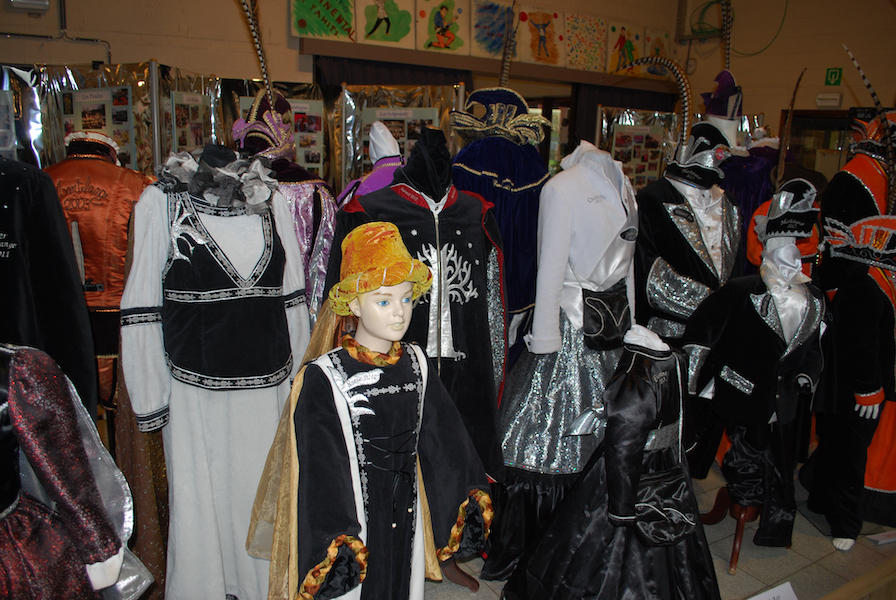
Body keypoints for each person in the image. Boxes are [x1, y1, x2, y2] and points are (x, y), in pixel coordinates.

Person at [252, 221, 493, 599]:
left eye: (406, 299)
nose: (399, 313)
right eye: (383, 301)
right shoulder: (325, 378)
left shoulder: (417, 364)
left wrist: (467, 498)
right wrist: (337, 539)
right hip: (356, 525)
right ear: (353, 303)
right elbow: (321, 473)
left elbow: (445, 442)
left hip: (407, 512)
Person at [120, 146, 310, 599]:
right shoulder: (162, 203)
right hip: (193, 393)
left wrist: (303, 384)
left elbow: (293, 297)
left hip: (269, 389)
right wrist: (150, 397)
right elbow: (141, 304)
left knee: (264, 498)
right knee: (201, 509)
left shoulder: (272, 202)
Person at [482, 141, 637, 580]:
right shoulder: (578, 186)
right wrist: (547, 339)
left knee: (575, 431)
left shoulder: (610, 185)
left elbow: (615, 267)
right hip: (586, 326)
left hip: (598, 329)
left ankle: (576, 540)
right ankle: (561, 540)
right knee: (552, 431)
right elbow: (558, 270)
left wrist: (630, 332)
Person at [501, 325, 721, 600]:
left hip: (629, 480)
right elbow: (682, 431)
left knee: (591, 546)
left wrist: (621, 511)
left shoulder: (635, 382)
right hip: (668, 468)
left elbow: (623, 451)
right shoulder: (676, 361)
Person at [684, 181, 828, 548]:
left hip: (786, 399)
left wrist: (807, 376)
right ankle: (743, 504)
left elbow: (814, 349)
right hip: (742, 392)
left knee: (780, 464)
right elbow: (702, 330)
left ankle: (772, 525)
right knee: (745, 455)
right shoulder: (741, 290)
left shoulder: (814, 298)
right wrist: (694, 378)